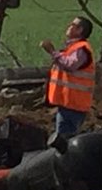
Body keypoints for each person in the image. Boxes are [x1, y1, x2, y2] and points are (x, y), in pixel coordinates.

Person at [40, 16, 95, 144]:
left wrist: (53, 52)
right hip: (68, 103)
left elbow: (70, 65)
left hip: (73, 104)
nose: (68, 26)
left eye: (72, 25)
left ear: (80, 30)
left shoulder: (81, 48)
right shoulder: (73, 48)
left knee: (64, 142)